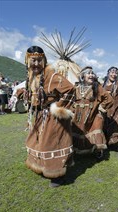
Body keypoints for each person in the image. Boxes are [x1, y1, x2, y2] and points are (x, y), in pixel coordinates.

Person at [24, 46, 75, 187]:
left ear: (44, 60)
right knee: (38, 142)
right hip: (40, 116)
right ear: (27, 61)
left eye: (39, 60)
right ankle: (42, 166)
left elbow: (70, 89)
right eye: (33, 61)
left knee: (52, 144)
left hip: (53, 118)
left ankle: (57, 175)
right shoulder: (31, 76)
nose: (35, 64)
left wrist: (58, 107)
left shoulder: (53, 76)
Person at [71, 66, 114, 158]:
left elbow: (109, 99)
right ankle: (77, 150)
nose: (91, 75)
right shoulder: (76, 87)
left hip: (92, 115)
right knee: (77, 131)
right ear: (82, 76)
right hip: (78, 115)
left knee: (96, 128)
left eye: (92, 73)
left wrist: (101, 107)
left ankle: (99, 150)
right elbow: (70, 100)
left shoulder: (97, 87)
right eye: (88, 73)